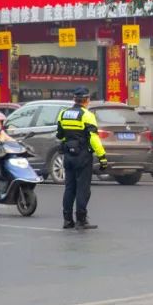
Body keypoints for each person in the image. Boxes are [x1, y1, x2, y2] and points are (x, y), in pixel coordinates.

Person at [56, 88, 108, 230]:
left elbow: (60, 135)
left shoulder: (63, 114)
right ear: (87, 100)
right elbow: (93, 138)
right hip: (83, 156)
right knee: (82, 189)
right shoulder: (88, 115)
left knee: (69, 188)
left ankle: (67, 220)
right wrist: (102, 157)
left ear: (74, 99)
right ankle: (81, 220)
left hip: (68, 156)